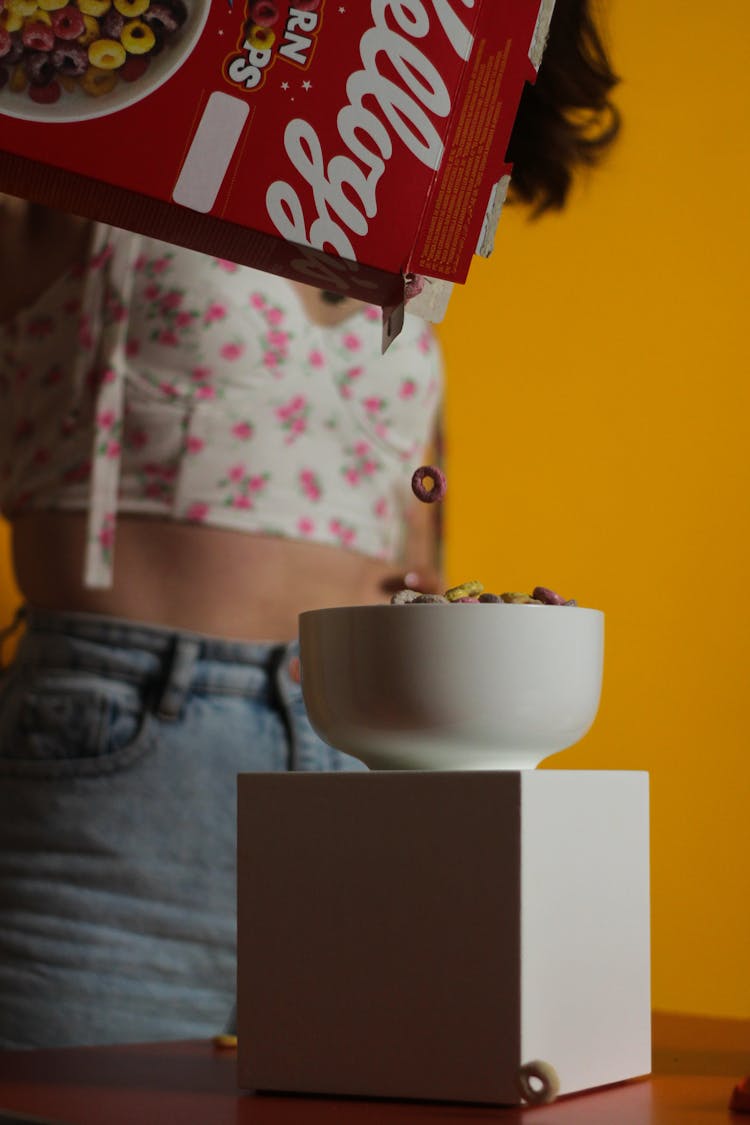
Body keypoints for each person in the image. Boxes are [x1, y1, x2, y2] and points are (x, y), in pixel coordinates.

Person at [0, 0, 620, 1049]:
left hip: (369, 765)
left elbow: (416, 560)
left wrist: (484, 646)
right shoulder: (97, 138)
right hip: (125, 750)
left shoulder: (407, 265)